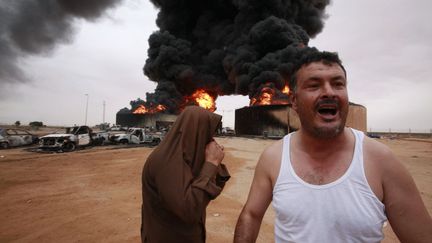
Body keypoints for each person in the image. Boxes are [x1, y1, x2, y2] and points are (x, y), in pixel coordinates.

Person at [234, 48, 432, 242]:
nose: (329, 92)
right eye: (314, 85)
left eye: (338, 84)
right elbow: (251, 214)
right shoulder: (273, 157)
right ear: (294, 101)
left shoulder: (381, 160)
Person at [141, 105, 230, 243]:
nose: (210, 138)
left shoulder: (188, 157)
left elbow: (215, 186)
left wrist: (215, 164)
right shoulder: (166, 161)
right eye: (207, 133)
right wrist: (211, 163)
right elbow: (190, 210)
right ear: (195, 132)